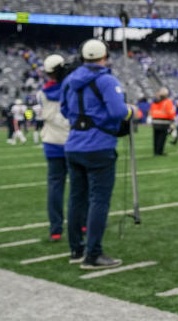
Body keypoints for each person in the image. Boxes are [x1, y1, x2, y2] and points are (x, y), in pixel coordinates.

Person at [60, 39, 131, 269]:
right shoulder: (106, 80)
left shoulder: (70, 80)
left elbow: (63, 109)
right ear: (104, 56)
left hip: (73, 144)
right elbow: (118, 111)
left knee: (76, 199)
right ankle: (93, 254)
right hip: (99, 146)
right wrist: (132, 110)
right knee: (98, 200)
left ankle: (76, 250)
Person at [38, 54, 70, 242]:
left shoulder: (43, 93)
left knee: (55, 187)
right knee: (79, 187)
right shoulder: (72, 89)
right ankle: (82, 223)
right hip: (72, 142)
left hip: (52, 142)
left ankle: (55, 229)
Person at [149, 88, 175, 155]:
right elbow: (170, 112)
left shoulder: (154, 101)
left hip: (155, 121)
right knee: (162, 138)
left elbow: (151, 111)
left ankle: (155, 151)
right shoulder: (167, 101)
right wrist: (172, 120)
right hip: (164, 122)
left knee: (156, 137)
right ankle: (159, 152)